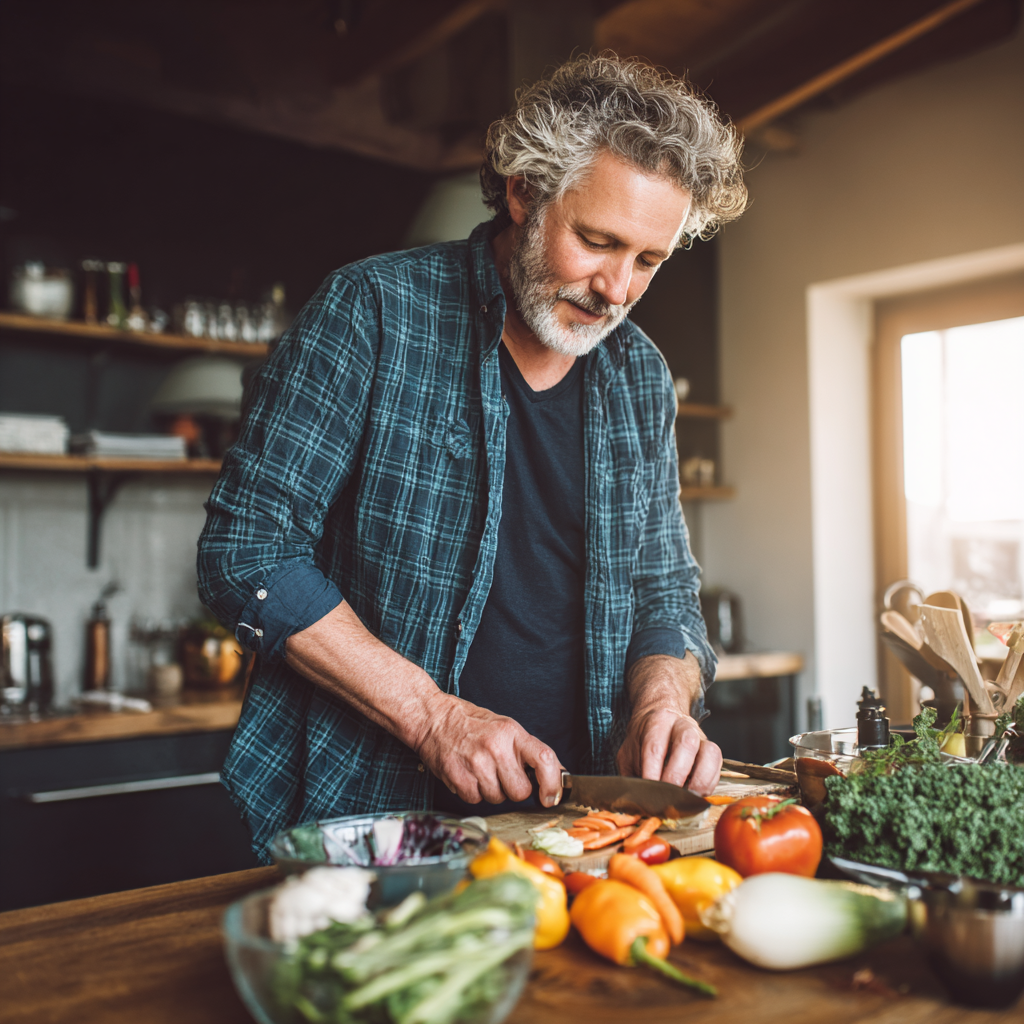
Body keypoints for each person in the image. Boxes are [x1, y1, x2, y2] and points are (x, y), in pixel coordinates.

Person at [197, 53, 747, 857]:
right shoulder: (374, 312)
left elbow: (662, 586)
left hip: (576, 831)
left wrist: (662, 702)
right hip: (368, 815)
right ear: (524, 191)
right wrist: (434, 717)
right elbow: (246, 552)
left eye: (649, 261)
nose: (618, 289)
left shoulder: (641, 378)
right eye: (598, 242)